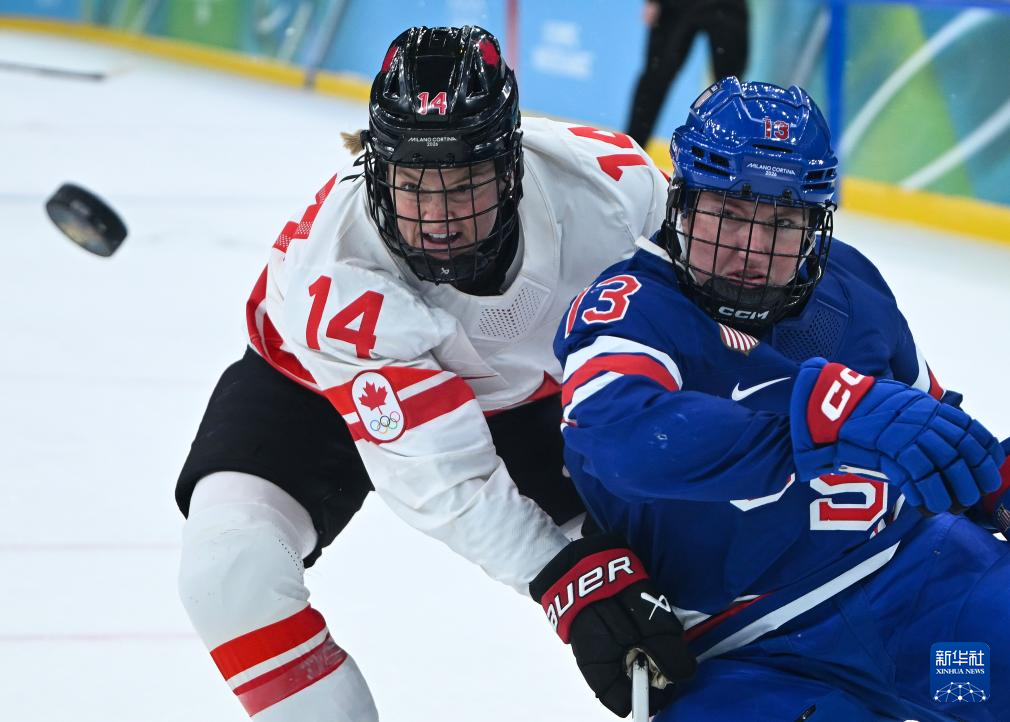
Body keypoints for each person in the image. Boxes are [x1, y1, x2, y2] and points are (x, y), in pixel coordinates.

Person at [175, 25, 694, 722]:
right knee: (230, 571)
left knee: (679, 593)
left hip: (533, 400)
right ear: (376, 167)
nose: (438, 217)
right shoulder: (336, 274)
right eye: (413, 184)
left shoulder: (612, 192)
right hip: (309, 390)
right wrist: (562, 577)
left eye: (464, 183)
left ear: (511, 164)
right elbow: (444, 475)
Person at [538, 77, 1010, 720]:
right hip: (747, 650)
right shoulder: (630, 310)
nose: (751, 250)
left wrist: (990, 479)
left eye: (783, 222)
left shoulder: (849, 283)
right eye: (729, 214)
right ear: (682, 203)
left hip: (924, 588)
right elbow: (623, 439)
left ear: (815, 224)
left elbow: (924, 423)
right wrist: (822, 413)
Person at [626, 0, 748, 148]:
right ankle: (631, 150)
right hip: (677, 5)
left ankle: (727, 154)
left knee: (730, 88)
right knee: (655, 77)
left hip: (727, 5)